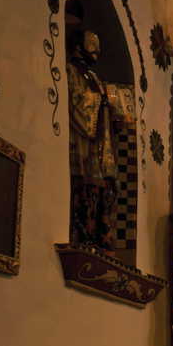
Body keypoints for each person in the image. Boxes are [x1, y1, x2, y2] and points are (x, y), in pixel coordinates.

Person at [67, 30, 129, 255]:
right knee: (85, 189)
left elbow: (106, 111)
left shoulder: (94, 77)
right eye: (92, 43)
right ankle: (83, 235)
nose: (98, 50)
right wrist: (102, 99)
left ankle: (102, 239)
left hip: (103, 147)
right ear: (78, 44)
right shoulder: (70, 70)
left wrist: (118, 118)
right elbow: (74, 99)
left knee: (105, 191)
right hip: (85, 146)